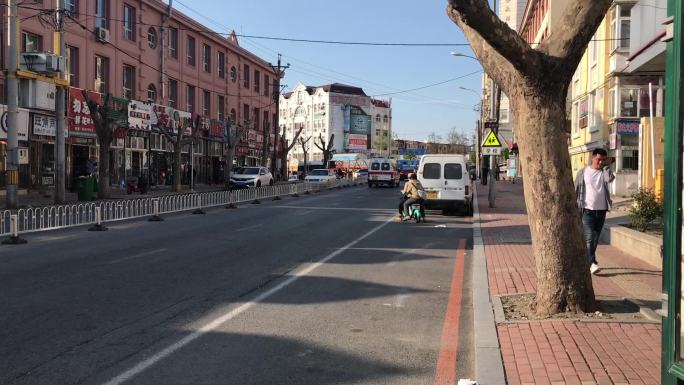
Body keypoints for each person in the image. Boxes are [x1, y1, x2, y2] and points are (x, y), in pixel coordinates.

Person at [574, 148, 615, 274]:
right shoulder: (583, 172)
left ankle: (588, 261)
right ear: (592, 158)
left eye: (603, 160)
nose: (600, 162)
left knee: (595, 238)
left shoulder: (604, 172)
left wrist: (607, 166)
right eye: (598, 159)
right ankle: (591, 263)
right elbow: (575, 189)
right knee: (590, 237)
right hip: (587, 210)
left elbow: (610, 179)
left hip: (601, 210)